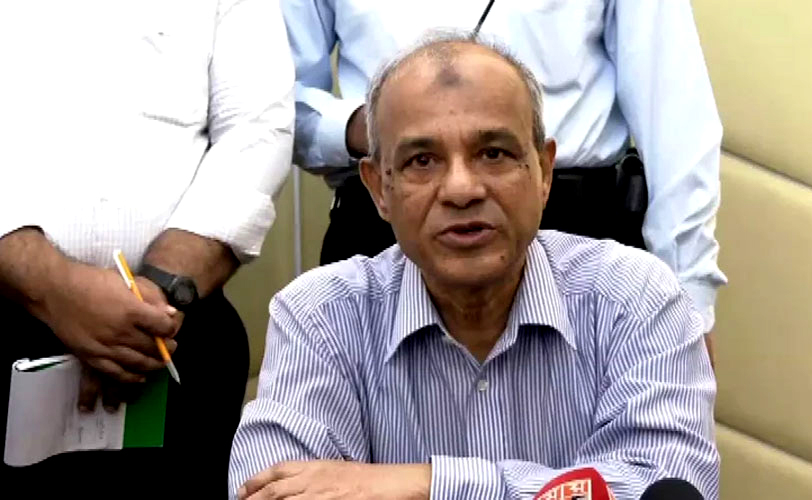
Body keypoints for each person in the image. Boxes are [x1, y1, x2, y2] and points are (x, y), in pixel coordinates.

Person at [229, 34, 718, 500]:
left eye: (493, 154)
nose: (461, 189)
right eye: (422, 161)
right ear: (379, 188)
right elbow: (269, 487)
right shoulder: (320, 315)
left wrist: (424, 486)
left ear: (544, 172)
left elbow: (663, 481)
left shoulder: (634, 296)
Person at [282, 0, 727, 361]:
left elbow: (675, 119)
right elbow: (279, 108)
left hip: (574, 223)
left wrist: (689, 303)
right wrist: (386, 131)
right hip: (386, 227)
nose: (463, 190)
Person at [0, 0, 293, 495]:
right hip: (11, 318)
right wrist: (53, 287)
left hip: (174, 332)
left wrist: (149, 301)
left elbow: (259, 130)